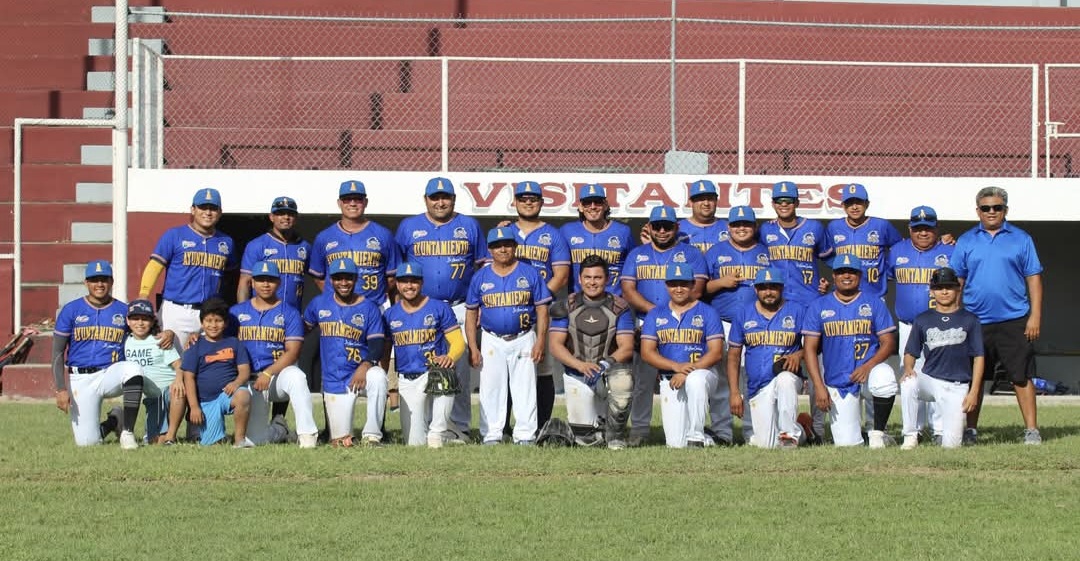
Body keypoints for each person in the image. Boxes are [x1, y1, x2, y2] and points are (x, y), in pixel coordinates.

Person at [395, 177, 487, 440]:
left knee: (459, 367)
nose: (440, 202)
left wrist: (479, 303)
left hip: (459, 305)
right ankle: (427, 423)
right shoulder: (408, 227)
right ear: (425, 200)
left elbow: (483, 266)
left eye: (445, 197)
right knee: (424, 364)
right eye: (434, 197)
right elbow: (398, 271)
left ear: (454, 199)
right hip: (421, 307)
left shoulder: (469, 225)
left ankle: (459, 425)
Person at [951, 186, 1043, 445]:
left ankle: (1032, 430)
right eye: (986, 208)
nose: (991, 212)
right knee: (974, 378)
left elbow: (1034, 279)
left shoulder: (1022, 239)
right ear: (978, 211)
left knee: (1021, 376)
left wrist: (1035, 316)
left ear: (1005, 210)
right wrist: (956, 317)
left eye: (997, 207)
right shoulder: (967, 240)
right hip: (975, 321)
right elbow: (958, 281)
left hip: (1014, 320)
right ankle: (971, 431)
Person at [622, 205, 711, 446]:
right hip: (646, 320)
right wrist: (657, 315)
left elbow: (698, 290)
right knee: (643, 379)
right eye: (657, 226)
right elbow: (628, 290)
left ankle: (697, 428)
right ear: (649, 227)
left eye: (667, 226)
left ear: (676, 227)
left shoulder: (691, 254)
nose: (662, 231)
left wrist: (667, 315)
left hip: (684, 321)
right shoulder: (637, 254)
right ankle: (639, 429)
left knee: (686, 375)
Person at [759, 181, 833, 439]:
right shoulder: (765, 230)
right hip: (779, 304)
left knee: (816, 368)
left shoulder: (814, 228)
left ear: (797, 203)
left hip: (810, 301)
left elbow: (832, 259)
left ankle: (818, 427)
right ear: (773, 204)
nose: (784, 205)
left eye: (788, 201)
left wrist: (827, 283)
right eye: (779, 201)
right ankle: (779, 424)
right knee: (774, 365)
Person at [465, 227, 552, 445]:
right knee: (491, 388)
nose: (502, 249)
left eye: (507, 245)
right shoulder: (480, 277)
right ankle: (491, 434)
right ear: (490, 249)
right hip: (491, 337)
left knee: (525, 388)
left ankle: (525, 435)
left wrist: (541, 340)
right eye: (497, 246)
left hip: (523, 336)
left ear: (515, 247)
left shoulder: (530, 273)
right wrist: (473, 347)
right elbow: (471, 313)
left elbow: (542, 310)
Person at [803, 254, 899, 448]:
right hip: (838, 380)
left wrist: (868, 366)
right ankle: (862, 435)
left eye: (852, 272)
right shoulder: (819, 305)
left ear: (860, 275)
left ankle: (878, 433)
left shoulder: (874, 302)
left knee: (885, 377)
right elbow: (809, 349)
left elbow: (889, 343)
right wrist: (819, 386)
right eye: (841, 272)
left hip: (869, 372)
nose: (846, 276)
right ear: (834, 275)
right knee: (847, 445)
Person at [52, 260, 145, 448]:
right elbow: (57, 352)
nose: (100, 284)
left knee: (133, 369)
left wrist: (167, 333)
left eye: (104, 279)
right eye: (94, 280)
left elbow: (148, 329)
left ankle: (127, 432)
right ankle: (114, 421)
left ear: (111, 282)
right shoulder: (71, 310)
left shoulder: (124, 310)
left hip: (111, 373)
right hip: (80, 378)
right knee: (88, 443)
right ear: (86, 283)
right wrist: (60, 389)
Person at [548, 255, 636, 449]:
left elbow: (627, 347)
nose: (592, 282)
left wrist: (604, 364)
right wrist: (580, 365)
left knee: (623, 379)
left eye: (597, 277)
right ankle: (596, 427)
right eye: (587, 277)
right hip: (576, 375)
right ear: (580, 279)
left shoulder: (620, 307)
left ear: (607, 279)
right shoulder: (566, 305)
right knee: (586, 440)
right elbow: (555, 345)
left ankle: (616, 435)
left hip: (606, 375)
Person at [229, 261, 318, 448]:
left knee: (297, 376)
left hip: (276, 377)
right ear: (252, 283)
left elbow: (293, 352)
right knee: (255, 441)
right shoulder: (236, 312)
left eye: (270, 280)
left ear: (279, 283)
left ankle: (307, 436)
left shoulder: (289, 312)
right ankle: (279, 429)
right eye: (261, 280)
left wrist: (268, 373)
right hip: (248, 380)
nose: (266, 284)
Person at [505, 181, 571, 429]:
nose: (528, 202)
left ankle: (542, 425)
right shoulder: (505, 232)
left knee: (542, 368)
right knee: (508, 369)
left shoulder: (553, 234)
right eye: (523, 198)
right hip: (508, 308)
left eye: (533, 199)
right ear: (515, 202)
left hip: (542, 309)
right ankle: (504, 427)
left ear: (541, 202)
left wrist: (538, 298)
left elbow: (561, 275)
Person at [303, 258, 389, 447]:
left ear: (356, 279)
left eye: (348, 278)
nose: (343, 282)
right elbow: (302, 330)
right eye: (338, 278)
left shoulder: (369, 307)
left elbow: (377, 344)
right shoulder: (319, 303)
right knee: (341, 440)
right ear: (331, 280)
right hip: (335, 380)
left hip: (361, 373)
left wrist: (365, 365)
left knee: (378, 376)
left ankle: (372, 436)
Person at [704, 205, 771, 442]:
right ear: (729, 227)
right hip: (722, 322)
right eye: (736, 224)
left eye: (746, 224)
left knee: (752, 376)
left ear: (754, 227)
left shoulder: (765, 251)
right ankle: (723, 431)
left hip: (756, 324)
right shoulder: (715, 251)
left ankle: (752, 431)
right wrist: (720, 282)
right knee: (722, 379)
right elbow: (700, 288)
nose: (741, 228)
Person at [138, 187, 238, 348]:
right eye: (203, 207)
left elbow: (231, 277)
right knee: (173, 359)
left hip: (209, 313)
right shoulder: (174, 235)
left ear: (220, 212)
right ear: (193, 209)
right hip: (177, 309)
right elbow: (155, 266)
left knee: (207, 361)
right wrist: (143, 294)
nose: (208, 212)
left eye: (213, 208)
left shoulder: (226, 242)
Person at [887, 205, 954, 443]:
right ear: (910, 229)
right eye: (918, 228)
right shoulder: (897, 251)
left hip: (940, 324)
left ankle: (939, 429)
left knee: (939, 374)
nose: (923, 233)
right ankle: (914, 429)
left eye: (928, 228)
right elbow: (887, 277)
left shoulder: (949, 251)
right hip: (907, 325)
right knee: (910, 375)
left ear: (937, 228)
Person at [727, 268, 814, 448]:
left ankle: (790, 435)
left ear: (782, 288)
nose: (768, 292)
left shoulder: (797, 310)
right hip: (757, 385)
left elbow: (814, 346)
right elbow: (734, 356)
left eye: (773, 287)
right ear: (755, 289)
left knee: (785, 380)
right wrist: (734, 392)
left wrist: (799, 354)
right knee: (765, 444)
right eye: (763, 287)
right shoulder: (743, 313)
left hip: (787, 376)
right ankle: (803, 427)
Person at [639, 264, 725, 448]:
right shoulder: (655, 314)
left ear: (693, 284)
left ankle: (696, 436)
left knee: (696, 380)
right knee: (676, 444)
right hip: (670, 378)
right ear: (666, 285)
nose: (678, 289)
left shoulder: (708, 312)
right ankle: (709, 437)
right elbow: (647, 352)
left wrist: (687, 371)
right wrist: (676, 367)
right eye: (673, 284)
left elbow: (716, 352)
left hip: (703, 373)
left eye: (684, 284)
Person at [899, 267, 985, 449]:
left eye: (949, 287)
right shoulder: (923, 319)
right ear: (931, 291)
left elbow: (979, 357)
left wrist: (974, 392)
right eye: (939, 288)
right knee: (908, 382)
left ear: (958, 289)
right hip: (929, 380)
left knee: (951, 446)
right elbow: (910, 352)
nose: (944, 291)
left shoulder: (970, 319)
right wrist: (908, 368)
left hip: (957, 385)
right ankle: (910, 435)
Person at [385, 261, 466, 448]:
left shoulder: (439, 307)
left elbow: (458, 342)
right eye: (404, 281)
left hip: (432, 371)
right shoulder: (390, 314)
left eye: (414, 281)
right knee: (415, 444)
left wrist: (449, 357)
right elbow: (385, 350)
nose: (409, 286)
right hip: (407, 379)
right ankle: (452, 434)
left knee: (445, 372)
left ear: (421, 283)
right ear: (397, 284)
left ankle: (438, 431)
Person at [310, 180, 400, 307]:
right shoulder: (324, 237)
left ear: (366, 202)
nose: (352, 203)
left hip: (374, 307)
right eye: (347, 199)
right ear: (339, 203)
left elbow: (392, 277)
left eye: (358, 199)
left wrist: (376, 294)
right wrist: (338, 296)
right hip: (336, 310)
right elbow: (318, 277)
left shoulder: (384, 235)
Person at [180, 297, 254, 448]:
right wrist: (194, 407)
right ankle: (215, 435)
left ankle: (240, 440)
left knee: (243, 395)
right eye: (208, 321)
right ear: (202, 323)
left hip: (227, 395)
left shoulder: (234, 343)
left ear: (225, 323)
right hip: (206, 401)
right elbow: (188, 377)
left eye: (218, 321)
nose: (213, 325)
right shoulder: (195, 345)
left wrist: (236, 383)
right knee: (214, 445)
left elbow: (244, 371)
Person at [123, 299, 185, 445]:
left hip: (168, 392)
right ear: (127, 321)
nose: (140, 323)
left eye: (145, 319)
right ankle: (120, 419)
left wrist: (178, 380)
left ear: (152, 321)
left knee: (177, 392)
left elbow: (179, 365)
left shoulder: (160, 340)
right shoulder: (126, 341)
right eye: (135, 318)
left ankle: (171, 436)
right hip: (152, 398)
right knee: (153, 441)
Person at [826, 183, 902, 301]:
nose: (854, 207)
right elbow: (825, 253)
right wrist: (838, 268)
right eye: (850, 203)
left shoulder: (882, 225)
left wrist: (886, 270)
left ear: (867, 204)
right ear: (843, 206)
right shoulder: (834, 227)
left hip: (875, 294)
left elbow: (901, 249)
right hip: (843, 294)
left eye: (859, 202)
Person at [560, 183, 636, 296]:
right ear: (580, 206)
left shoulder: (623, 232)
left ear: (605, 205)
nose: (593, 206)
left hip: (614, 300)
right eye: (587, 203)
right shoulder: (567, 231)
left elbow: (634, 266)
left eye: (597, 202)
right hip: (579, 300)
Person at [237, 196, 311, 310]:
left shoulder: (304, 246)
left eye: (290, 214)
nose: (286, 217)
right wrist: (242, 312)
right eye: (280, 213)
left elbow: (319, 276)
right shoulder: (257, 244)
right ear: (271, 217)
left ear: (296, 217)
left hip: (293, 312)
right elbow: (245, 282)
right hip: (263, 313)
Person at [678, 179, 729, 254]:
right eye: (701, 199)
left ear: (716, 201)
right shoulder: (677, 228)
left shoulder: (729, 228)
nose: (706, 203)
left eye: (710, 199)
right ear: (691, 202)